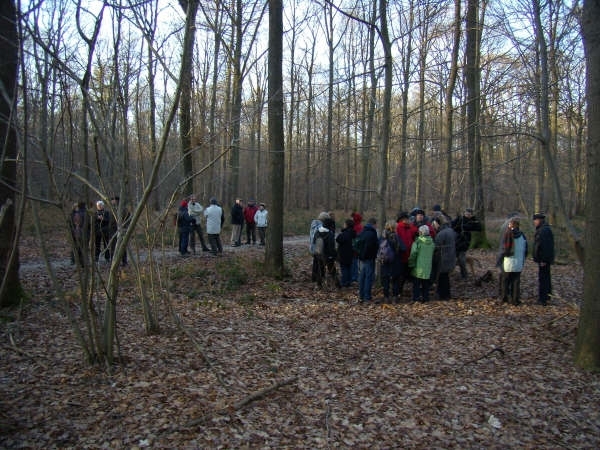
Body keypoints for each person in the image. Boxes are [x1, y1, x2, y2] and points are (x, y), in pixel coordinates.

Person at [499, 217, 528, 305]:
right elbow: (526, 249)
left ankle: (504, 297)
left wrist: (502, 257)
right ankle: (515, 300)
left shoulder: (508, 234)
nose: (508, 225)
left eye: (509, 224)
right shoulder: (522, 235)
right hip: (519, 262)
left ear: (512, 225)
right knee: (516, 281)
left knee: (505, 280)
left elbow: (505, 248)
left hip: (508, 261)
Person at [378, 221, 406, 304]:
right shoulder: (396, 237)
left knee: (385, 280)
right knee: (395, 280)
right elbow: (403, 248)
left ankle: (386, 297)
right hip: (395, 262)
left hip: (385, 262)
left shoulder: (382, 237)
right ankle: (394, 297)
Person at [452, 207, 482, 278]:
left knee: (462, 260)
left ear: (471, 215)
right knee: (452, 259)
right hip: (456, 242)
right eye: (466, 213)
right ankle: (451, 273)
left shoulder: (472, 221)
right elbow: (452, 225)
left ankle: (464, 275)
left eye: (469, 214)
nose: (467, 215)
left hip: (464, 243)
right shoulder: (460, 219)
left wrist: (474, 220)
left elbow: (479, 228)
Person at [408, 225, 435, 302]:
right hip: (427, 267)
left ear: (420, 232)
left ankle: (416, 298)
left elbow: (413, 255)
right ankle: (425, 298)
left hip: (418, 267)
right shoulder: (432, 243)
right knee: (425, 285)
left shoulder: (417, 242)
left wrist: (410, 264)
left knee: (416, 285)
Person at [533, 212, 554, 305]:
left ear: (539, 220)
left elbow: (546, 247)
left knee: (543, 279)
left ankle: (543, 299)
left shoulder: (544, 231)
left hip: (544, 259)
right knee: (545, 278)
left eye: (535, 220)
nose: (534, 222)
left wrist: (544, 260)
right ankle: (547, 296)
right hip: (543, 259)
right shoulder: (544, 229)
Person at [432, 215, 456, 300]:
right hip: (451, 257)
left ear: (439, 223)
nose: (434, 226)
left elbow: (435, 247)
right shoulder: (451, 230)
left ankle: (443, 295)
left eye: (435, 224)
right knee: (446, 277)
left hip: (443, 259)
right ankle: (446, 294)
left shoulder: (441, 234)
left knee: (442, 278)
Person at [356, 217, 379, 303]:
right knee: (368, 278)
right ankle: (367, 297)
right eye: (376, 224)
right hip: (369, 258)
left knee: (362, 277)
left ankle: (361, 296)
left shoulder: (363, 231)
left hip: (362, 258)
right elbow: (370, 247)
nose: (377, 226)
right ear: (374, 224)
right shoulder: (372, 233)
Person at [396, 211, 418, 298]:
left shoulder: (399, 227)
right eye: (407, 219)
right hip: (408, 255)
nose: (408, 220)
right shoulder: (409, 227)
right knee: (405, 275)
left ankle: (398, 292)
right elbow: (417, 231)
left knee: (401, 276)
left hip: (401, 255)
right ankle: (401, 292)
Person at [312, 217, 338, 287]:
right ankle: (337, 284)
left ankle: (319, 284)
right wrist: (334, 255)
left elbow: (314, 241)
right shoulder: (330, 234)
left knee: (320, 269)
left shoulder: (317, 232)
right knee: (332, 270)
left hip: (318, 253)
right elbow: (331, 246)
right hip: (328, 255)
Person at [110, 196, 131, 266]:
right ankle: (114, 261)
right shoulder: (112, 209)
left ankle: (124, 261)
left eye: (113, 200)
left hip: (121, 229)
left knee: (122, 246)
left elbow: (128, 219)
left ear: (117, 201)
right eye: (112, 200)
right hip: (113, 230)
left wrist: (124, 227)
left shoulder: (123, 209)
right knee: (113, 246)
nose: (112, 201)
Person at [310, 211, 330, 282]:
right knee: (320, 264)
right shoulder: (320, 227)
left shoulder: (314, 225)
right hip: (319, 248)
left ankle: (314, 278)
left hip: (314, 247)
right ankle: (319, 278)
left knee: (316, 263)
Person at [336, 218, 356, 288]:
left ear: (347, 225)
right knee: (350, 268)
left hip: (344, 254)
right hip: (351, 254)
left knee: (344, 269)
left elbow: (338, 239)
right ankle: (349, 281)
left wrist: (342, 231)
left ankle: (345, 282)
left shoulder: (345, 233)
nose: (343, 225)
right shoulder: (353, 233)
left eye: (344, 224)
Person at [70, 202, 89, 267]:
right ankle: (81, 262)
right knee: (82, 247)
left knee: (75, 247)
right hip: (82, 233)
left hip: (74, 232)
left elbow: (70, 223)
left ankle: (73, 260)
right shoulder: (85, 213)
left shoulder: (73, 214)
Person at [351, 211, 364, 283]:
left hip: (355, 247)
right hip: (358, 247)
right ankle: (356, 276)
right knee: (357, 263)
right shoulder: (360, 227)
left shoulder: (355, 227)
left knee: (354, 263)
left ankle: (354, 277)